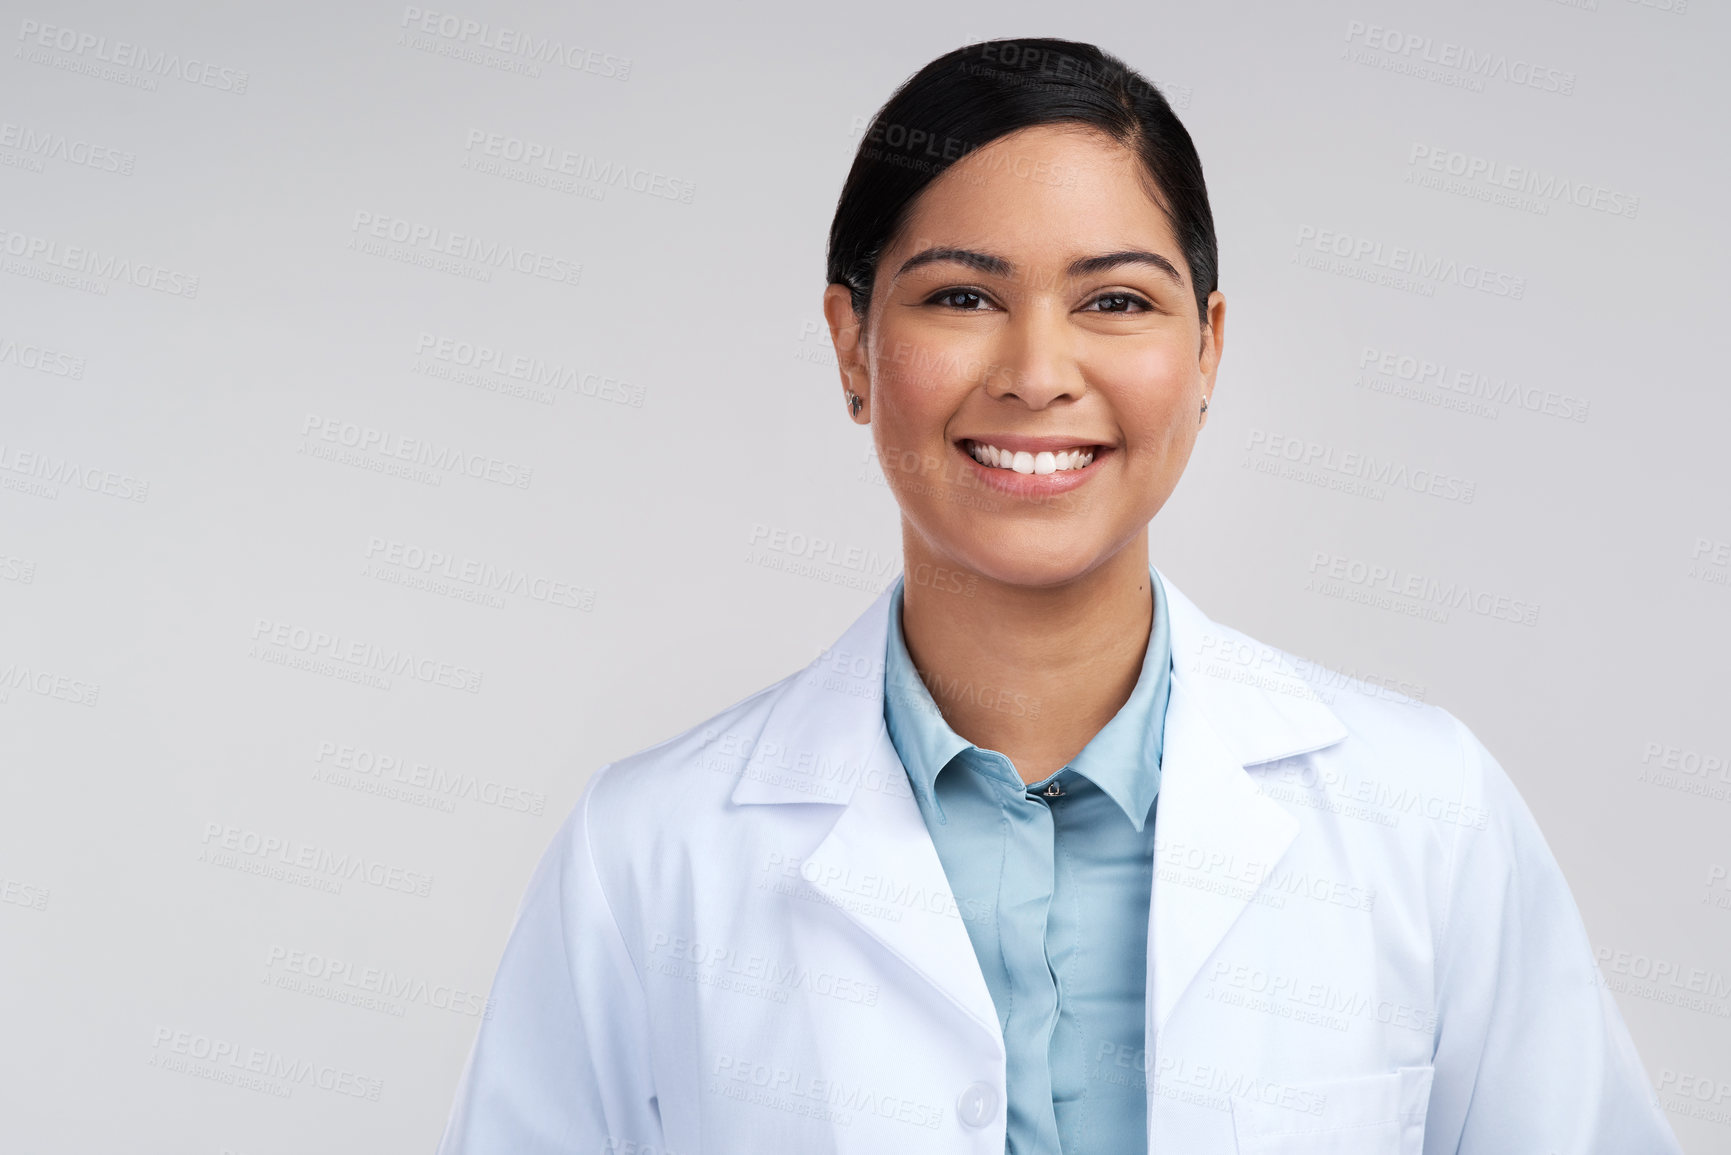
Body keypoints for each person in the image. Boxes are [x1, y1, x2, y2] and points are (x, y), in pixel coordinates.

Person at [436, 38, 1680, 1155]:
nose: (1038, 374)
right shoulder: (651, 856)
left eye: (1117, 302)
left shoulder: (1424, 816)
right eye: (961, 297)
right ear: (853, 347)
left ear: (1208, 352)